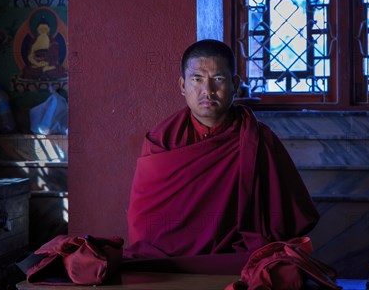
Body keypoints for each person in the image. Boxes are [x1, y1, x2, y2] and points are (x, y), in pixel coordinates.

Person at [124, 39, 319, 273]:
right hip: (169, 262)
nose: (208, 90)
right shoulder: (161, 142)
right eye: (196, 79)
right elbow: (145, 226)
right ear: (182, 85)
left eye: (218, 79)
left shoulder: (258, 140)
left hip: (238, 259)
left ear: (235, 84)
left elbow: (288, 218)